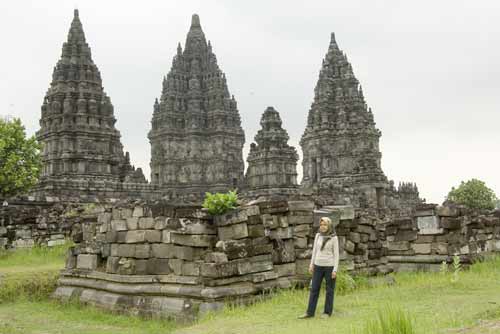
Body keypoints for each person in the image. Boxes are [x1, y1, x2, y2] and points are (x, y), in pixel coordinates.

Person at [298, 216, 339, 319]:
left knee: (329, 290)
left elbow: (336, 255)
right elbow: (315, 251)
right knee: (314, 289)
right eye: (321, 225)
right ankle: (309, 312)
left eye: (325, 224)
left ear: (329, 225)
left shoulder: (334, 238)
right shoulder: (318, 236)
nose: (323, 227)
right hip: (318, 265)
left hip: (329, 266)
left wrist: (335, 270)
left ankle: (327, 312)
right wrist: (311, 264)